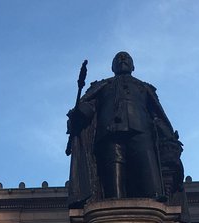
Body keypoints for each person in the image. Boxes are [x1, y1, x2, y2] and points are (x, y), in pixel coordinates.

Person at [66, 52, 185, 208]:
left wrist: (168, 137)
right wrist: (79, 112)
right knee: (114, 177)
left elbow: (157, 116)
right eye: (119, 58)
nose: (123, 60)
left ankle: (155, 205)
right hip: (110, 134)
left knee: (148, 171)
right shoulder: (102, 86)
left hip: (141, 133)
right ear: (112, 67)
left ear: (133, 66)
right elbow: (88, 108)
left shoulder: (144, 88)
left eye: (126, 58)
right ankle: (114, 207)